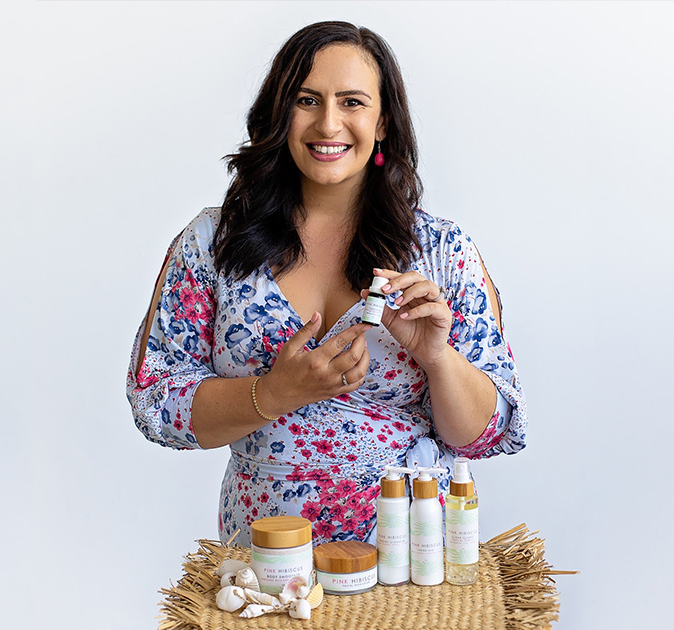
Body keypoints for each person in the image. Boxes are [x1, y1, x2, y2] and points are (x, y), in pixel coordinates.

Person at [126, 21, 526, 546]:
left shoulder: (443, 253)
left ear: (383, 122)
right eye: (307, 99)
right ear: (279, 113)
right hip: (266, 567)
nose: (329, 122)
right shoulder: (212, 244)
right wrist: (273, 393)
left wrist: (437, 357)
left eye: (353, 102)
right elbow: (157, 403)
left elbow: (490, 434)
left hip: (411, 563)